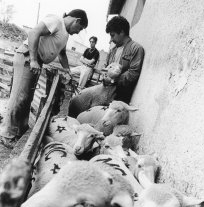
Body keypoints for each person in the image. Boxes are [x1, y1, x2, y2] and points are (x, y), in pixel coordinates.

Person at [0, 9, 88, 148]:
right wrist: (34, 59)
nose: (78, 32)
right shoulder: (56, 21)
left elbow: (63, 54)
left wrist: (67, 71)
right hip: (28, 57)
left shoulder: (64, 33)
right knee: (19, 96)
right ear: (77, 20)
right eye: (80, 28)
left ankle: (19, 131)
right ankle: (6, 134)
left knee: (27, 98)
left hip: (36, 62)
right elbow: (34, 32)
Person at [105, 15, 144, 104]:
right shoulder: (113, 50)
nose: (111, 40)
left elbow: (133, 74)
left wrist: (113, 80)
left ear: (122, 32)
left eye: (113, 35)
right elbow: (108, 68)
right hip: (106, 93)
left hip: (120, 98)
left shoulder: (136, 48)